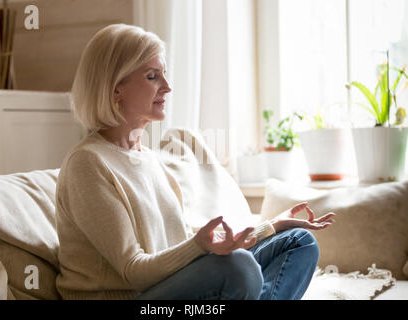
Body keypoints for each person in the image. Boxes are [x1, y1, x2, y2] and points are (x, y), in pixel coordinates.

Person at [55, 24, 335, 300]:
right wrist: (198, 247)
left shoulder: (148, 158)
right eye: (153, 77)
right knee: (238, 268)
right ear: (116, 89)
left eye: (164, 75)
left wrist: (272, 226)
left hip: (168, 286)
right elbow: (134, 271)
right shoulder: (87, 163)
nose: (167, 87)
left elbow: (178, 249)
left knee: (298, 242)